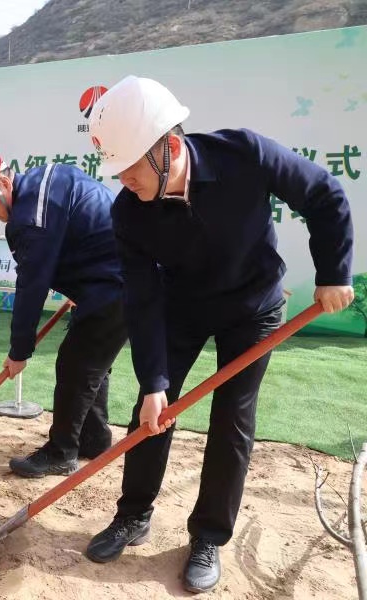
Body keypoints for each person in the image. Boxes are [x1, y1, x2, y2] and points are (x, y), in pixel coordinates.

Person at [84, 75, 354, 593]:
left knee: (232, 417)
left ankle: (208, 536)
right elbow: (142, 299)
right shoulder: (129, 213)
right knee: (152, 410)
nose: (124, 180)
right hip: (181, 308)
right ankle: (132, 514)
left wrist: (334, 272)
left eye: (130, 166)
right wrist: (155, 381)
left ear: (168, 146)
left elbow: (324, 195)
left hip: (253, 307)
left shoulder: (244, 154)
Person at [0, 153, 127, 477]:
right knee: (91, 364)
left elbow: (32, 285)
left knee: (76, 365)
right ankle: (94, 439)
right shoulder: (44, 181)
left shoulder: (29, 218)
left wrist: (19, 351)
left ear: (3, 183)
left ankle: (61, 452)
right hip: (111, 278)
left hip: (116, 283)